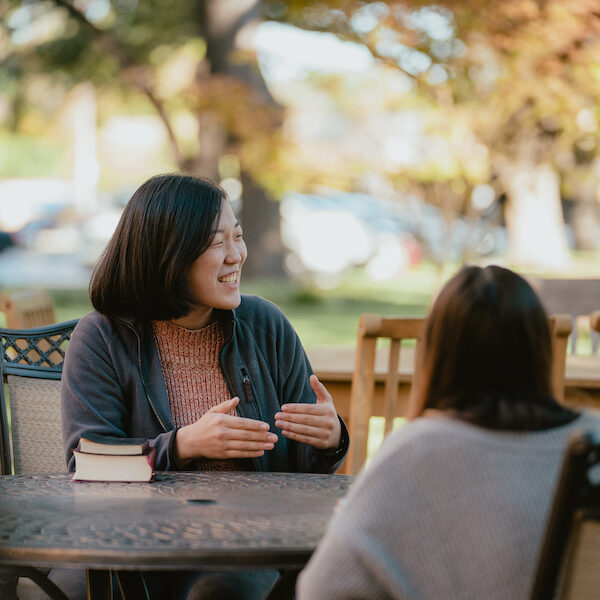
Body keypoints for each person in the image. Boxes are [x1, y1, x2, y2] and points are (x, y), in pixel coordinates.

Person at [59, 173, 349, 600]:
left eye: (239, 236)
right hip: (137, 544)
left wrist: (330, 438)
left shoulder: (265, 325)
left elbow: (303, 472)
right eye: (217, 242)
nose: (237, 255)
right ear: (167, 254)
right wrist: (184, 444)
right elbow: (87, 463)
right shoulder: (102, 337)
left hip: (249, 544)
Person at [297, 265, 600, 600]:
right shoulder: (593, 438)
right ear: (539, 349)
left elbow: (320, 590)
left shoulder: (416, 452)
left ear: (437, 354)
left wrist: (362, 519)